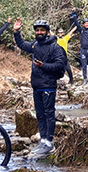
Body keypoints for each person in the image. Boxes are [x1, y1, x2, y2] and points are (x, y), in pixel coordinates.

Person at [12, 18, 67, 155]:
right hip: (36, 86)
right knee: (40, 115)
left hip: (48, 86)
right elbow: (22, 44)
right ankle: (43, 140)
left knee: (49, 114)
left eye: (42, 30)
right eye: (37, 30)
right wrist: (16, 32)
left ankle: (49, 142)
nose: (39, 32)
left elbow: (60, 65)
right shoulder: (35, 45)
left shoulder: (55, 47)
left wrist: (43, 65)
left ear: (47, 32)